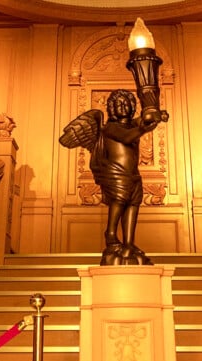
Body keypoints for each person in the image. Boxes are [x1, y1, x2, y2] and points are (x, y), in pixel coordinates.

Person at [60, 89, 167, 265]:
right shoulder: (110, 127)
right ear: (111, 108)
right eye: (119, 104)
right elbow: (126, 137)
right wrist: (143, 127)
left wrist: (156, 116)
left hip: (133, 175)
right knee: (119, 203)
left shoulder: (132, 124)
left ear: (132, 106)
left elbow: (143, 121)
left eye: (126, 103)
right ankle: (110, 234)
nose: (123, 106)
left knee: (133, 205)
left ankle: (129, 243)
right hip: (117, 173)